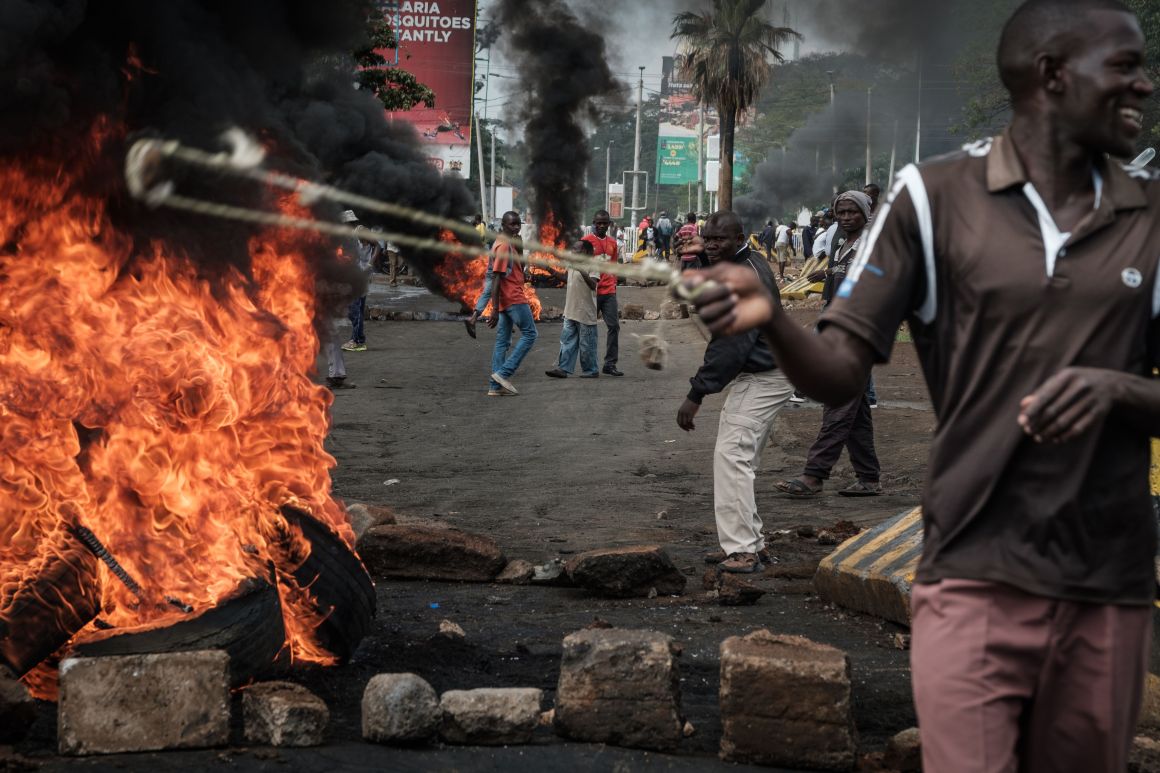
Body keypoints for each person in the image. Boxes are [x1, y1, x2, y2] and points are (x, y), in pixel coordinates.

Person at [683, 1, 1157, 768]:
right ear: (1052, 75)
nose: (1144, 84)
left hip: (1108, 581)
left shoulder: (1151, 213)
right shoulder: (932, 199)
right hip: (970, 571)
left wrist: (1118, 391)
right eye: (1125, 66)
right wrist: (771, 318)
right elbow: (842, 367)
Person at [676, 211, 790, 575]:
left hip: (764, 375)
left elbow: (729, 347)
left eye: (719, 239)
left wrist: (696, 394)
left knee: (731, 457)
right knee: (742, 458)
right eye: (706, 238)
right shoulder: (748, 263)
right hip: (772, 369)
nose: (710, 245)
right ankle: (751, 543)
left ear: (741, 236)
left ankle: (742, 550)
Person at [777, 191, 881, 498]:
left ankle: (814, 475)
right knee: (856, 412)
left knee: (838, 405)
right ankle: (868, 478)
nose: (846, 217)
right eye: (842, 212)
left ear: (865, 213)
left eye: (853, 212)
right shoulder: (841, 245)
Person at [486, 211, 538, 396]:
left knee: (502, 342)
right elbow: (496, 278)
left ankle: (494, 387)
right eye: (512, 224)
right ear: (503, 225)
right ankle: (503, 373)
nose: (516, 227)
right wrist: (493, 308)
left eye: (518, 224)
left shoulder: (509, 243)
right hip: (513, 298)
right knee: (531, 334)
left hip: (506, 299)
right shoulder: (503, 246)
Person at [545, 240, 600, 379]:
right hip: (570, 311)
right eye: (573, 249)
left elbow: (594, 285)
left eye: (577, 250)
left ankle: (591, 370)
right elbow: (565, 278)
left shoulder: (593, 265)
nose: (573, 252)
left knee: (586, 345)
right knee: (567, 341)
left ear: (586, 252)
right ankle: (563, 369)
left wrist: (581, 270)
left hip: (585, 313)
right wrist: (550, 270)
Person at [584, 210, 623, 377]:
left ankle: (610, 364)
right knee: (588, 329)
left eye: (604, 223)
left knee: (614, 326)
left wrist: (613, 282)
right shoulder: (585, 242)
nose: (601, 225)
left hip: (608, 291)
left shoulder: (613, 243)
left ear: (609, 224)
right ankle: (590, 366)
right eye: (598, 222)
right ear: (593, 222)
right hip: (591, 291)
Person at [340, 210, 379, 353]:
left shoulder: (360, 230)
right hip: (357, 275)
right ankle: (358, 339)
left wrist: (370, 264)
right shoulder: (349, 236)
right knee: (358, 308)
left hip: (362, 275)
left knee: (354, 309)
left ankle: (358, 340)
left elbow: (378, 245)